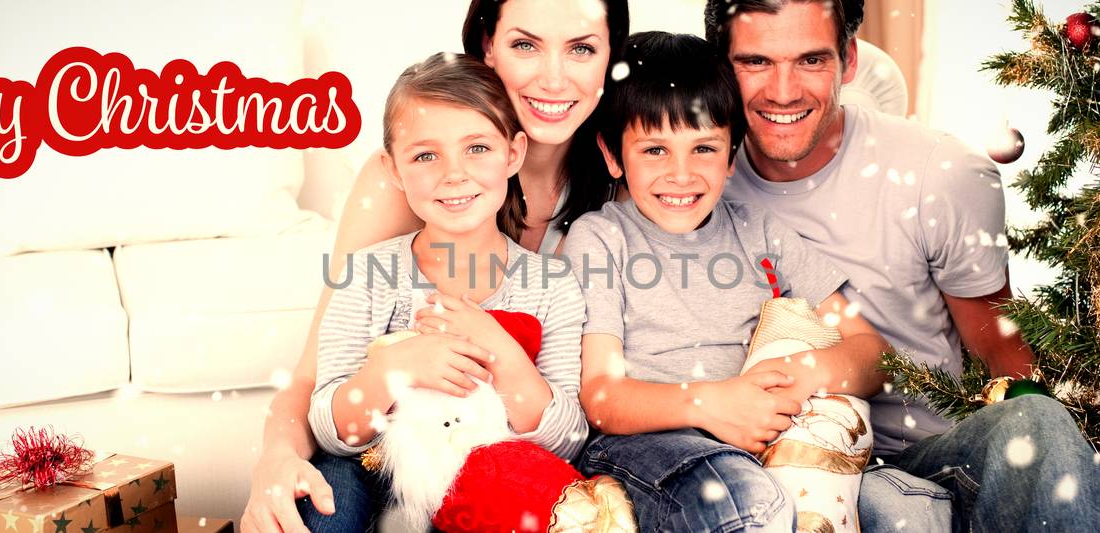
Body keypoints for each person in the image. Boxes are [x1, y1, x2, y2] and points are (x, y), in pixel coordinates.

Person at [703, 1, 1100, 531]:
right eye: (756, 61)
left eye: (810, 60)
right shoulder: (687, 183)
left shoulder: (937, 174)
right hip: (762, 466)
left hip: (924, 460)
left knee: (1026, 426)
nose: (783, 91)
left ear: (848, 60)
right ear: (720, 66)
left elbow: (998, 342)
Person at [241, 2, 628, 532]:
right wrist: (275, 461)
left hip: (508, 464)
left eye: (581, 47)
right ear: (488, 45)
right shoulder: (387, 233)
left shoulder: (639, 172)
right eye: (525, 44)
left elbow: (566, 426)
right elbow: (318, 388)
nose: (554, 76)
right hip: (378, 458)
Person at [563, 31, 889, 532]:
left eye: (704, 148)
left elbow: (873, 354)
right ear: (612, 155)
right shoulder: (602, 238)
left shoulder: (761, 232)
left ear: (732, 155)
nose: (681, 174)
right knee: (744, 499)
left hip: (759, 438)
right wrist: (712, 403)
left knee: (902, 510)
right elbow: (603, 396)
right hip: (647, 445)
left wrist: (804, 373)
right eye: (654, 150)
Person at [306, 52, 588, 531]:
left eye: (477, 148)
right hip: (376, 467)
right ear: (393, 169)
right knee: (330, 496)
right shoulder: (368, 273)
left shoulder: (551, 285)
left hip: (487, 474)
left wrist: (501, 352)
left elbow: (566, 440)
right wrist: (393, 369)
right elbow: (333, 431)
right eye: (425, 155)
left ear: (513, 153)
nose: (453, 174)